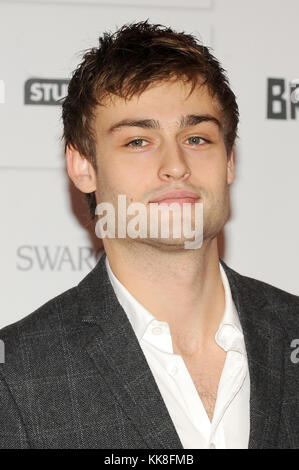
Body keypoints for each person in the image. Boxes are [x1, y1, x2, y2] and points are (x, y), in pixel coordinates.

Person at [0, 20, 298, 450]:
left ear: (229, 162)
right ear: (83, 166)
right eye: (139, 141)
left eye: (197, 138)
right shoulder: (17, 376)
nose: (175, 165)